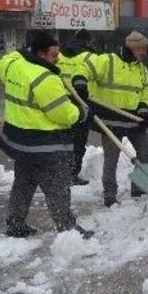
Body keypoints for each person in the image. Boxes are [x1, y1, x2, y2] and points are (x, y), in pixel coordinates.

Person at [0, 32, 94, 239]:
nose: (57, 59)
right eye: (53, 55)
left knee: (22, 186)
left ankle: (15, 224)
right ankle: (68, 231)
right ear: (40, 54)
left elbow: (7, 58)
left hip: (20, 143)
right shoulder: (45, 78)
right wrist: (81, 112)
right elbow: (63, 114)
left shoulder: (13, 66)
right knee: (58, 190)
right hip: (44, 146)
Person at [83, 31, 148, 207]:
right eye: (141, 49)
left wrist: (144, 110)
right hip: (111, 120)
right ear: (132, 48)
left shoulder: (141, 68)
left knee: (146, 150)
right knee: (111, 159)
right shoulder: (108, 60)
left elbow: (145, 91)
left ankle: (139, 187)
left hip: (133, 119)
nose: (144, 53)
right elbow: (85, 69)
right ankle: (110, 195)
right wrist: (79, 81)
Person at [57, 29, 95, 186]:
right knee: (78, 142)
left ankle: (58, 172)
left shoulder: (59, 53)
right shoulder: (90, 56)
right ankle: (72, 174)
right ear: (88, 41)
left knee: (62, 140)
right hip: (81, 102)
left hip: (60, 102)